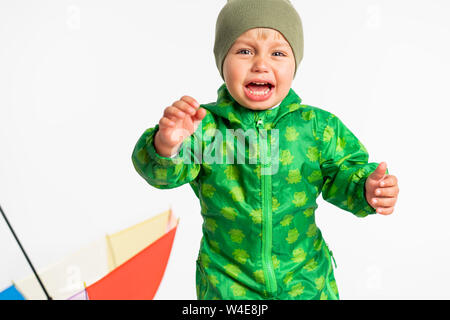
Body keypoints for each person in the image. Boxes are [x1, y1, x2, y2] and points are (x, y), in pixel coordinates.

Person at [131, 0, 399, 300]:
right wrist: (166, 144)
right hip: (226, 282)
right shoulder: (204, 128)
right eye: (244, 51)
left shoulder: (316, 127)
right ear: (222, 62)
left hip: (306, 280)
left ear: (294, 64)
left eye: (278, 53)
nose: (261, 64)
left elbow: (344, 174)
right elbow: (162, 175)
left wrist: (367, 188)